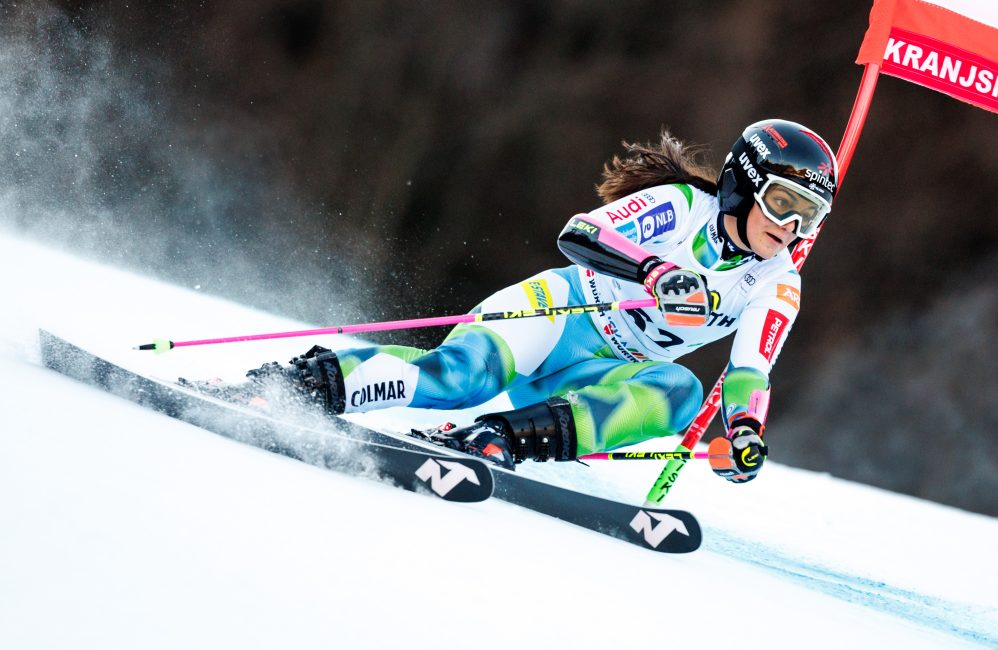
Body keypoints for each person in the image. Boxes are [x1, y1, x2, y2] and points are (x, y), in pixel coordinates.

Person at [255, 119, 838, 483]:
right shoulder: (683, 207)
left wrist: (745, 432)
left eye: (809, 215)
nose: (791, 226)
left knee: (680, 392)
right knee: (458, 379)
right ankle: (305, 383)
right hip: (556, 314)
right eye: (783, 202)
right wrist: (656, 272)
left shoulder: (778, 283)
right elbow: (580, 233)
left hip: (599, 373)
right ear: (743, 184)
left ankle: (500, 438)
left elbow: (749, 370)